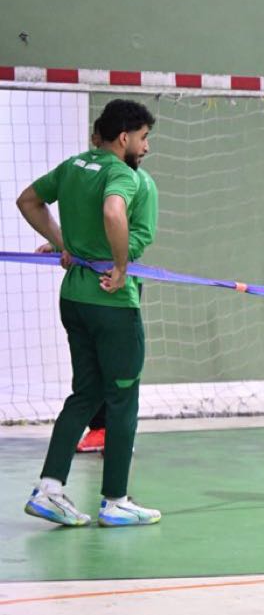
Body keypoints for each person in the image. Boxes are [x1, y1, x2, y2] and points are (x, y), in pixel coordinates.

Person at [17, 99, 160, 526]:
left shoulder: (74, 166)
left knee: (84, 394)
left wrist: (66, 244)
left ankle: (49, 490)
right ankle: (115, 500)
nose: (146, 147)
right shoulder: (125, 175)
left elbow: (28, 200)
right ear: (124, 138)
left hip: (74, 300)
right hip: (111, 303)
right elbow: (114, 211)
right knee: (123, 398)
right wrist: (120, 267)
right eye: (143, 138)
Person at [65, 124, 158, 454]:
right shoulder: (89, 178)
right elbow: (83, 229)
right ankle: (99, 428)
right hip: (82, 287)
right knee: (88, 371)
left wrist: (111, 260)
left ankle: (117, 435)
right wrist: (65, 245)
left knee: (120, 372)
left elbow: (141, 236)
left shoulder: (143, 184)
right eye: (142, 139)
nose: (146, 148)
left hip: (119, 288)